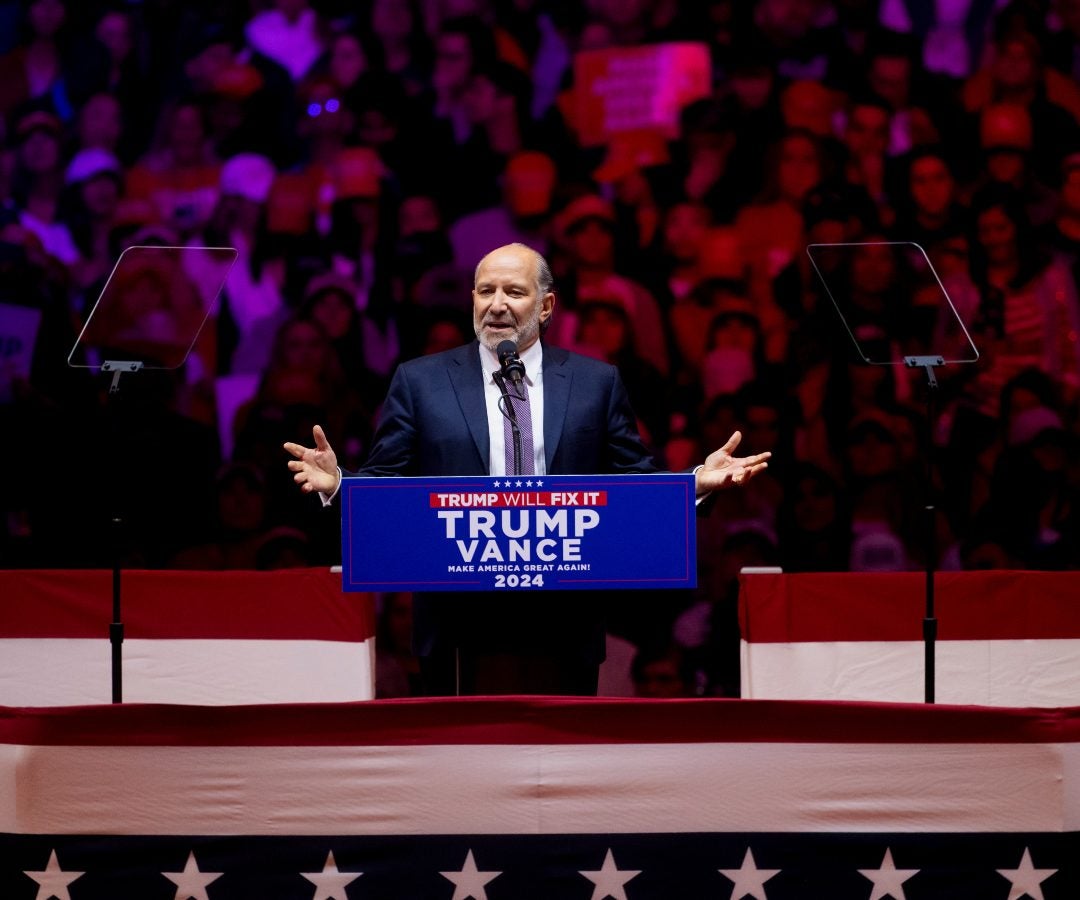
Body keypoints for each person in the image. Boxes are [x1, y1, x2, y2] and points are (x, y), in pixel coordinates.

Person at [284, 243, 771, 696]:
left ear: (546, 307)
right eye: (485, 291)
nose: (496, 304)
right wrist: (340, 485)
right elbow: (388, 485)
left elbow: (633, 485)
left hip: (563, 617)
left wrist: (693, 486)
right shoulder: (421, 381)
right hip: (457, 619)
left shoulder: (594, 384)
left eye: (514, 292)